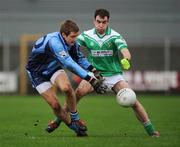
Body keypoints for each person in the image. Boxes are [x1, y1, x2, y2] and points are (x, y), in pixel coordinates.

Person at [47, 9, 160, 137]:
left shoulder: (115, 36)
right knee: (77, 94)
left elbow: (125, 51)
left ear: (108, 22)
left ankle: (151, 131)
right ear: (94, 21)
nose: (101, 25)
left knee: (133, 100)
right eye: (98, 21)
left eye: (104, 22)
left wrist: (125, 59)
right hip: (95, 73)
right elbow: (71, 43)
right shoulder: (87, 35)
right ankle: (57, 121)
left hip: (114, 75)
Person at [26, 20, 104, 137]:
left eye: (76, 36)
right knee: (55, 105)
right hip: (37, 73)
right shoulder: (55, 42)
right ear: (63, 35)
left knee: (67, 88)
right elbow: (68, 63)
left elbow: (79, 58)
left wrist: (94, 70)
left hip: (53, 68)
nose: (75, 39)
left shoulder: (72, 43)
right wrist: (91, 79)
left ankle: (75, 118)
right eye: (72, 36)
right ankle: (74, 127)